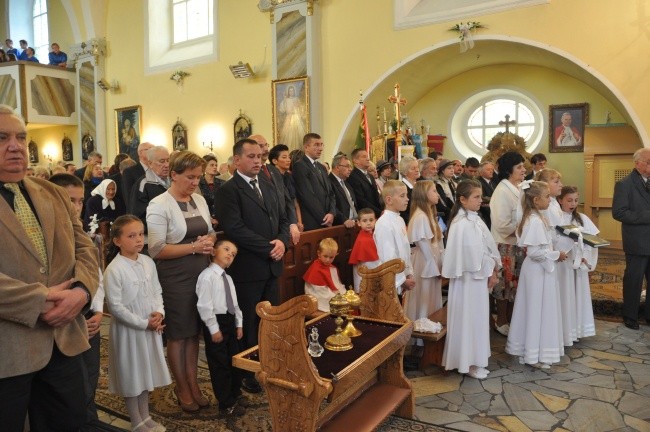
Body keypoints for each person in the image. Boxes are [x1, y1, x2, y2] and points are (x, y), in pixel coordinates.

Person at [0, 105, 99, 431]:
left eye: (20, 137)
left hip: (63, 340)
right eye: (2, 138)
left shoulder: (54, 193)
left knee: (69, 423)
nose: (15, 145)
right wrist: (38, 300)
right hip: (7, 347)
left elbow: (85, 248)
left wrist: (82, 292)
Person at [215, 138, 290, 394]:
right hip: (248, 268)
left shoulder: (268, 185)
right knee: (248, 323)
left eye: (260, 156)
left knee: (270, 321)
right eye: (251, 156)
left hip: (272, 266)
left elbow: (283, 217)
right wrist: (269, 247)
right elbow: (235, 228)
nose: (258, 160)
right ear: (237, 160)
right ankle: (248, 371)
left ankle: (269, 364)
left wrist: (282, 240)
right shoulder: (229, 190)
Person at [147, 151, 215, 411]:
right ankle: (181, 385)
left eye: (198, 177)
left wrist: (210, 242)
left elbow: (208, 232)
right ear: (173, 175)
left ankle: (193, 383)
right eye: (190, 177)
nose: (195, 182)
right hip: (175, 276)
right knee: (179, 333)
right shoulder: (159, 204)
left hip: (201, 272)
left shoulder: (199, 200)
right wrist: (193, 248)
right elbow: (156, 249)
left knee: (194, 332)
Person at [49, 173, 105, 431]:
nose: (76, 206)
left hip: (90, 317)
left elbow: (97, 275)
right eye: (69, 200)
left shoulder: (84, 235)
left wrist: (99, 311)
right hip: (67, 319)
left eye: (80, 201)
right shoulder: (49, 237)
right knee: (72, 385)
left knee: (90, 377)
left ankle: (90, 420)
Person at [104, 215, 170, 432]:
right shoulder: (114, 269)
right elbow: (115, 307)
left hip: (149, 326)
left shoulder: (148, 262)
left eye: (141, 234)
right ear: (117, 240)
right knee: (132, 373)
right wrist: (144, 323)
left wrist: (159, 312)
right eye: (131, 236)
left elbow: (157, 291)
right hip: (129, 331)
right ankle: (136, 421)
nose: (139, 240)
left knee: (145, 372)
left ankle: (145, 416)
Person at [442, 180, 501, 379]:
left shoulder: (474, 219)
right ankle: (466, 362)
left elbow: (487, 246)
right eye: (476, 197)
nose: (480, 200)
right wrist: (489, 269)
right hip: (468, 280)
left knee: (478, 319)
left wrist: (493, 269)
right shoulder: (461, 225)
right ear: (463, 200)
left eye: (480, 196)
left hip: (478, 278)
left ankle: (476, 359)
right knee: (469, 319)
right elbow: (470, 256)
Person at [505, 181, 567, 369]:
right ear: (536, 199)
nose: (550, 199)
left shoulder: (538, 217)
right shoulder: (533, 221)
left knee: (539, 309)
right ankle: (532, 355)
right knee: (535, 309)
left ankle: (532, 351)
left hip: (539, 270)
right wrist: (557, 255)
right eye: (547, 196)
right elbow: (534, 252)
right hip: (536, 271)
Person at [196, 240, 246, 417]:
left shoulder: (229, 278)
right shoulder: (207, 276)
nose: (229, 255)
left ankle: (235, 393)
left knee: (234, 360)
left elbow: (235, 304)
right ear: (213, 251)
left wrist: (238, 324)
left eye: (233, 254)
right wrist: (213, 328)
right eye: (226, 249)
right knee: (220, 364)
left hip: (230, 321)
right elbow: (204, 305)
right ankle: (226, 403)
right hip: (216, 323)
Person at [489, 151, 527, 336]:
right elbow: (502, 225)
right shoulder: (502, 191)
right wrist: (525, 228)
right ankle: (501, 320)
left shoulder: (518, 188)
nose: (523, 170)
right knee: (504, 285)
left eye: (523, 166)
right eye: (519, 167)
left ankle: (512, 319)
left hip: (517, 244)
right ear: (508, 170)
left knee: (514, 285)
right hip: (504, 244)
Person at [612, 147, 650, 330]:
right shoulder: (624, 184)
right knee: (634, 281)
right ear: (637, 163)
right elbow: (619, 212)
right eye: (649, 162)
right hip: (637, 242)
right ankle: (630, 316)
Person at [558, 186, 598, 339]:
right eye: (569, 200)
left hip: (579, 261)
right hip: (565, 262)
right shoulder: (557, 217)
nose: (573, 203)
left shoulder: (581, 218)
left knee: (578, 293)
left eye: (576, 200)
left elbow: (592, 240)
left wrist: (585, 251)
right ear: (560, 200)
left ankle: (578, 329)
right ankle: (565, 329)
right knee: (566, 294)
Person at [406, 180, 445, 323]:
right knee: (424, 295)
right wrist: (433, 265)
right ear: (423, 194)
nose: (438, 194)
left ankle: (429, 324)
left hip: (430, 259)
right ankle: (422, 329)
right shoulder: (421, 216)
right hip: (425, 261)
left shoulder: (427, 213)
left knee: (430, 296)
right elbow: (424, 243)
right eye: (434, 191)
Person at [253, 135, 301, 245]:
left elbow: (287, 199)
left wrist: (293, 223)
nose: (266, 149)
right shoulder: (252, 173)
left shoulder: (273, 170)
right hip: (264, 231)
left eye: (266, 145)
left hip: (282, 228)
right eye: (261, 146)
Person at [374, 180, 416, 298]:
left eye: (407, 195)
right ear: (389, 200)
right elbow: (388, 256)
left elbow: (405, 250)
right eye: (402, 196)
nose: (407, 199)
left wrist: (408, 273)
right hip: (391, 280)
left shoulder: (400, 219)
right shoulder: (384, 223)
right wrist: (401, 281)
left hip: (402, 274)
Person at [292, 133, 336, 231]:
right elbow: (307, 196)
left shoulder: (321, 167)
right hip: (313, 222)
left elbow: (331, 193)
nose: (320, 148)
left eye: (321, 145)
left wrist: (332, 213)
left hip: (328, 219)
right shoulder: (300, 166)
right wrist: (324, 218)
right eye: (316, 145)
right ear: (306, 147)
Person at [130, 146, 170, 235]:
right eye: (162, 161)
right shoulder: (143, 184)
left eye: (168, 160)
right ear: (150, 163)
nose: (167, 165)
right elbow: (137, 217)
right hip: (153, 235)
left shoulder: (173, 181)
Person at [268, 143, 303, 242]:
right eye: (284, 157)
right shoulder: (270, 178)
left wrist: (299, 222)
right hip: (280, 223)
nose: (288, 160)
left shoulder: (289, 176)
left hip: (292, 219)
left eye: (289, 157)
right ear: (274, 161)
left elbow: (294, 201)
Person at [303, 238, 347, 312]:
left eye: (331, 257)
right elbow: (319, 290)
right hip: (317, 294)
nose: (328, 260)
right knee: (336, 301)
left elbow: (337, 284)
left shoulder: (332, 268)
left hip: (326, 291)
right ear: (319, 254)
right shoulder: (316, 269)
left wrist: (339, 292)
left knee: (345, 295)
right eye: (325, 256)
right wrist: (335, 295)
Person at [348, 208, 380, 292]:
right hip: (366, 273)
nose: (368, 223)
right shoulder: (362, 240)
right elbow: (370, 262)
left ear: (375, 221)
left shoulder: (373, 234)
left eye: (371, 220)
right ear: (358, 223)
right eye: (365, 221)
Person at [347, 148, 382, 217]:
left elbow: (376, 196)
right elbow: (361, 200)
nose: (368, 159)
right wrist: (379, 212)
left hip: (376, 213)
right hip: (365, 215)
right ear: (355, 161)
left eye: (367, 156)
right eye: (364, 157)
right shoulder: (353, 177)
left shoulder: (370, 176)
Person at [328, 152, 358, 228]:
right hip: (340, 225)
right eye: (347, 166)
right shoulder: (329, 182)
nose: (350, 169)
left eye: (351, 166)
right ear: (337, 167)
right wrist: (344, 220)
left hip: (354, 223)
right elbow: (330, 205)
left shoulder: (347, 183)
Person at [198, 154, 225, 228]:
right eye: (211, 165)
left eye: (216, 165)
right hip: (205, 220)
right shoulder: (198, 183)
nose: (215, 167)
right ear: (204, 167)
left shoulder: (223, 183)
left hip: (222, 220)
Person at [278, 85, 306, 150]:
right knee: (288, 135)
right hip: (288, 118)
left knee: (297, 135)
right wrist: (284, 100)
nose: (291, 92)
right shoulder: (286, 100)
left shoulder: (296, 99)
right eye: (290, 91)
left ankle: (297, 148)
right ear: (288, 92)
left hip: (296, 118)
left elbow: (301, 109)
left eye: (292, 91)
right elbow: (282, 110)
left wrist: (297, 107)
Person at [398, 156, 420, 226]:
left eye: (417, 167)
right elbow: (403, 212)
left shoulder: (419, 186)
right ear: (405, 172)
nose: (417, 170)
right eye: (413, 168)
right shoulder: (401, 188)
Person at [435, 159, 456, 225]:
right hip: (446, 215)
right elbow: (443, 202)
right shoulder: (438, 184)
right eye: (449, 168)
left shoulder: (453, 183)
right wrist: (452, 213)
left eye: (452, 168)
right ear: (442, 171)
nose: (452, 170)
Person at [477, 161, 497, 229]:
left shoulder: (493, 183)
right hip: (485, 215)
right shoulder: (478, 182)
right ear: (481, 172)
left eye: (492, 169)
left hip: (494, 214)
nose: (491, 171)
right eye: (488, 169)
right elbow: (482, 199)